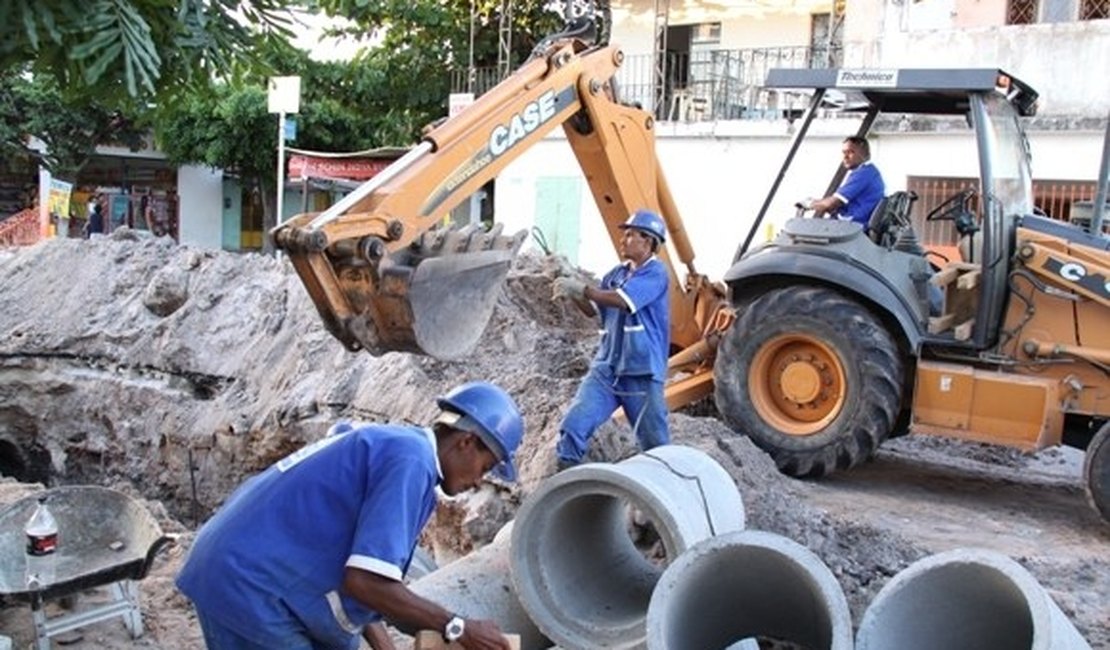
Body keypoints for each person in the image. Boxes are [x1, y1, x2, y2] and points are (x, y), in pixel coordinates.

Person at [175, 381, 524, 650]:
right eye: (486, 466)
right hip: (247, 584)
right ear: (466, 441)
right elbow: (366, 583)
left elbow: (368, 582)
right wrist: (459, 627)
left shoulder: (399, 448)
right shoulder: (411, 461)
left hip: (238, 571)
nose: (478, 479)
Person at [551, 209, 671, 471]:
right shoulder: (616, 274)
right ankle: (565, 492)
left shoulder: (655, 274)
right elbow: (592, 310)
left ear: (649, 242)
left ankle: (664, 495)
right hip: (606, 370)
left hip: (641, 374)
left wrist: (584, 288)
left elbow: (624, 301)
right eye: (624, 234)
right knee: (573, 426)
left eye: (631, 235)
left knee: (656, 447)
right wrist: (571, 289)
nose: (623, 239)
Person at [808, 136, 885, 227]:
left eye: (850, 152)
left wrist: (809, 204)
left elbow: (831, 204)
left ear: (864, 154)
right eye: (844, 153)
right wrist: (819, 203)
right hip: (849, 223)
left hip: (852, 226)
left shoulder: (863, 174)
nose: (845, 157)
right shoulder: (869, 171)